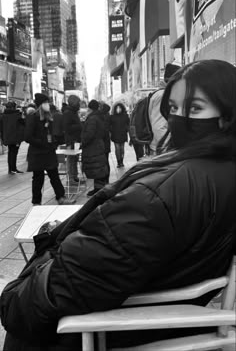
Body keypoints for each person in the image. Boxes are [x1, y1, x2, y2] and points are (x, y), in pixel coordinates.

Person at [1, 59, 236, 351]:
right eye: (173, 108)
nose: (179, 118)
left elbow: (70, 281)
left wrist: (12, 299)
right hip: (151, 305)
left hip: (97, 329)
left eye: (195, 108)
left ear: (227, 115)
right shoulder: (213, 170)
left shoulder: (164, 193)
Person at [24, 93, 75, 206]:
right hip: (37, 153)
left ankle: (61, 197)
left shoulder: (49, 118)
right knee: (38, 178)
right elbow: (27, 137)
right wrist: (42, 143)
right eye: (46, 102)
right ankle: (36, 202)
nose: (48, 104)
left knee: (54, 176)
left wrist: (56, 141)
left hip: (49, 152)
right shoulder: (32, 118)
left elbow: (51, 134)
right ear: (40, 105)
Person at [148, 62, 180, 155]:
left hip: (160, 147)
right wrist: (168, 148)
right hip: (162, 149)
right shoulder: (163, 95)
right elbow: (159, 126)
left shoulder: (161, 93)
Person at [81, 99, 108, 196]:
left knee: (97, 168)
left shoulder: (92, 118)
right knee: (99, 168)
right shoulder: (99, 116)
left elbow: (89, 134)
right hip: (99, 145)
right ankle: (99, 188)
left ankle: (99, 189)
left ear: (90, 108)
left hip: (93, 147)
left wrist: (83, 142)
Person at [63, 95, 82, 184]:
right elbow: (67, 127)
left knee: (75, 159)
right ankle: (71, 178)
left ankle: (75, 176)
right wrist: (79, 126)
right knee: (71, 159)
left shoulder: (73, 112)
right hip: (71, 140)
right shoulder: (68, 113)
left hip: (75, 139)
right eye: (78, 103)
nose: (79, 105)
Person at [2, 101, 25, 174]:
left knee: (10, 152)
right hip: (15, 137)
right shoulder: (17, 115)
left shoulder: (3, 115)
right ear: (13, 107)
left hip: (7, 137)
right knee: (14, 153)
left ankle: (11, 169)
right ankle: (13, 168)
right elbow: (23, 124)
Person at [110, 102, 129, 167]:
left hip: (123, 134)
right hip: (115, 134)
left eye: (119, 108)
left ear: (122, 108)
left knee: (122, 148)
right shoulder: (112, 116)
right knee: (117, 148)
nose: (118, 109)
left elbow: (128, 124)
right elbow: (110, 126)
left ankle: (121, 161)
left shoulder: (125, 116)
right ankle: (119, 162)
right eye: (117, 108)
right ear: (115, 109)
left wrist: (126, 130)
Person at [99, 102, 111, 182]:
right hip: (105, 143)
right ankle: (106, 178)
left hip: (103, 143)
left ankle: (105, 178)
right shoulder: (107, 116)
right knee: (106, 160)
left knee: (104, 161)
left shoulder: (103, 117)